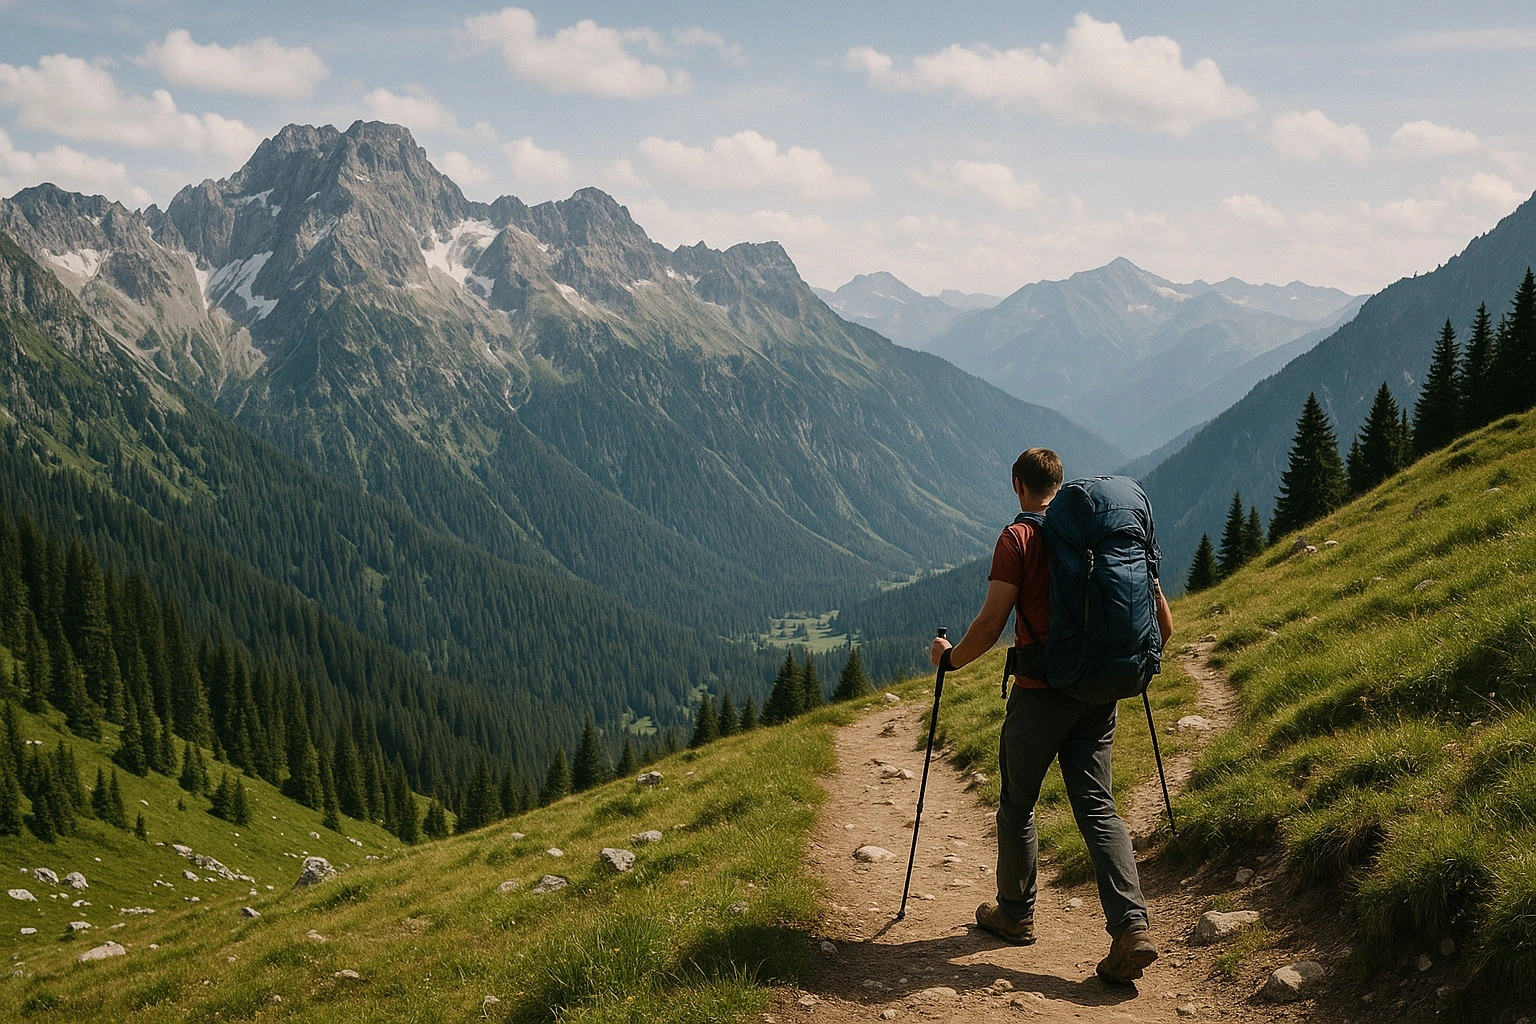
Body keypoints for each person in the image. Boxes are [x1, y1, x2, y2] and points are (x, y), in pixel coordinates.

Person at [929, 447, 1173, 986]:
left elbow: (993, 623)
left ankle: (1015, 914)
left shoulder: (1018, 539)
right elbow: (1166, 626)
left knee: (1017, 804)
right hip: (1096, 695)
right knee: (1097, 805)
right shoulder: (1096, 539)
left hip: (1040, 693)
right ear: (1060, 487)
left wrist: (948, 658)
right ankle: (1131, 926)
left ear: (1018, 485)